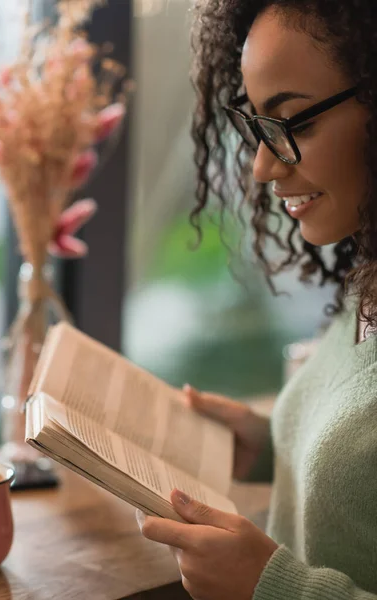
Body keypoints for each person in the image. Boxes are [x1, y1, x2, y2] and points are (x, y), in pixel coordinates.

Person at [136, 1, 377, 599]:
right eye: (257, 126)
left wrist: (273, 588)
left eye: (292, 122)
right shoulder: (368, 276)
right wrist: (271, 441)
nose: (263, 166)